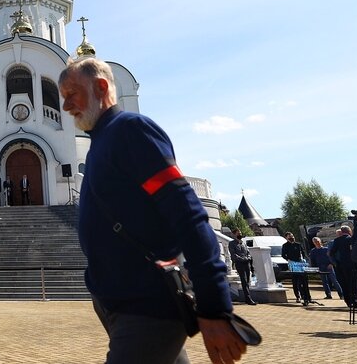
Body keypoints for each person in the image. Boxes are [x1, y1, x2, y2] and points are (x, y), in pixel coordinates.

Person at [59, 58, 246, 364]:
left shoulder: (131, 131)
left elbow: (188, 215)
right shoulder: (101, 143)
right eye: (63, 96)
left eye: (72, 94)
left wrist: (214, 308)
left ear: (101, 87)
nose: (66, 105)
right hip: (120, 303)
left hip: (145, 305)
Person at [281, 232, 310, 305]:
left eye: (292, 236)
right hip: (292, 264)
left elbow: (303, 253)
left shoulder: (298, 244)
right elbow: (283, 255)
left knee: (303, 280)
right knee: (295, 281)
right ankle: (297, 296)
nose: (292, 238)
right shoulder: (285, 246)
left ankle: (306, 296)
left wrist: (303, 260)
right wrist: (288, 259)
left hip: (300, 264)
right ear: (286, 238)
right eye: (289, 237)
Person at [228, 229, 256, 305]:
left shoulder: (243, 243)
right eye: (238, 233)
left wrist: (248, 258)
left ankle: (248, 298)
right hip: (239, 264)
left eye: (240, 233)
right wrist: (243, 259)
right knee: (244, 281)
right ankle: (248, 299)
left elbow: (248, 252)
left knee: (247, 281)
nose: (240, 234)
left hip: (247, 264)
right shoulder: (232, 243)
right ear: (234, 235)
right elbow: (233, 255)